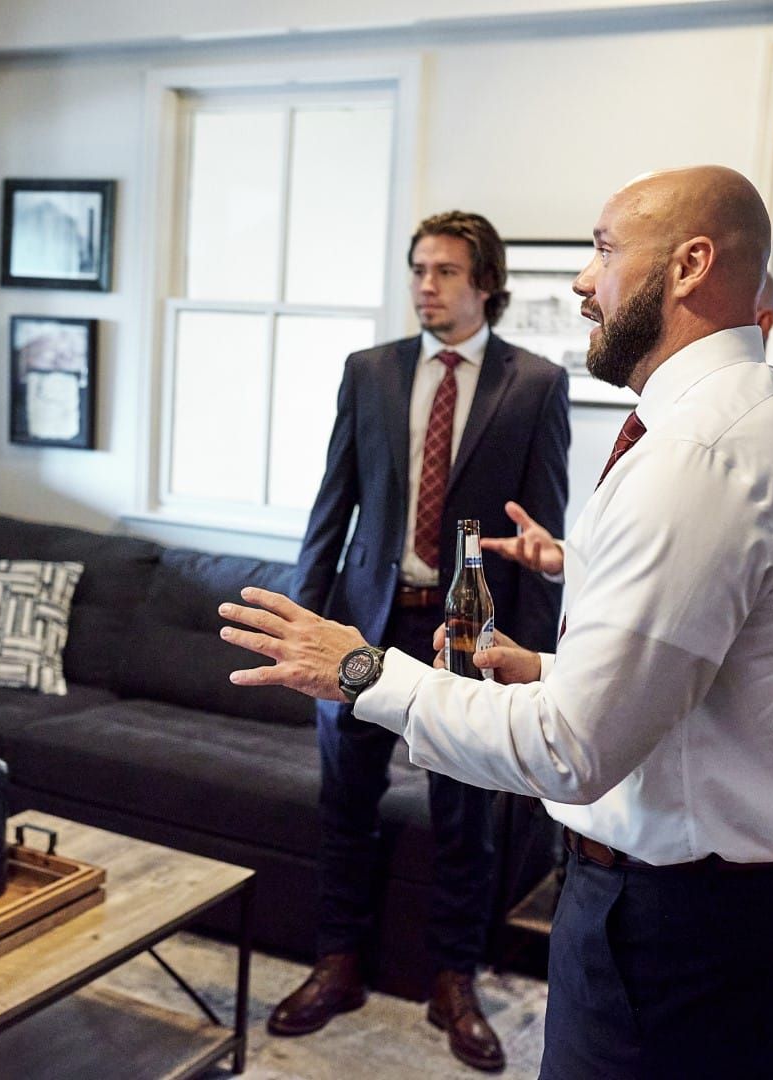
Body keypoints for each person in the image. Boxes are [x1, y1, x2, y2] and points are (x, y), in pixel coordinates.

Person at [220, 166, 773, 1079]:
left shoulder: (697, 457)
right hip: (735, 906)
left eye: (602, 250)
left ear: (688, 265)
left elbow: (574, 750)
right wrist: (553, 668)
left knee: (466, 834)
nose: (578, 282)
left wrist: (364, 672)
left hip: (672, 925)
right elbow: (700, 681)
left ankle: (454, 975)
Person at [272, 210, 569, 1073]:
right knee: (346, 806)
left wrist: (529, 664)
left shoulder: (535, 384)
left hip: (466, 633)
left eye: (444, 271)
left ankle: (453, 979)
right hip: (366, 616)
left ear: (486, 284)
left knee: (464, 819)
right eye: (418, 269)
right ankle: (338, 965)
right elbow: (331, 508)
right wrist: (302, 621)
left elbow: (536, 529)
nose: (426, 286)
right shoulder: (368, 373)